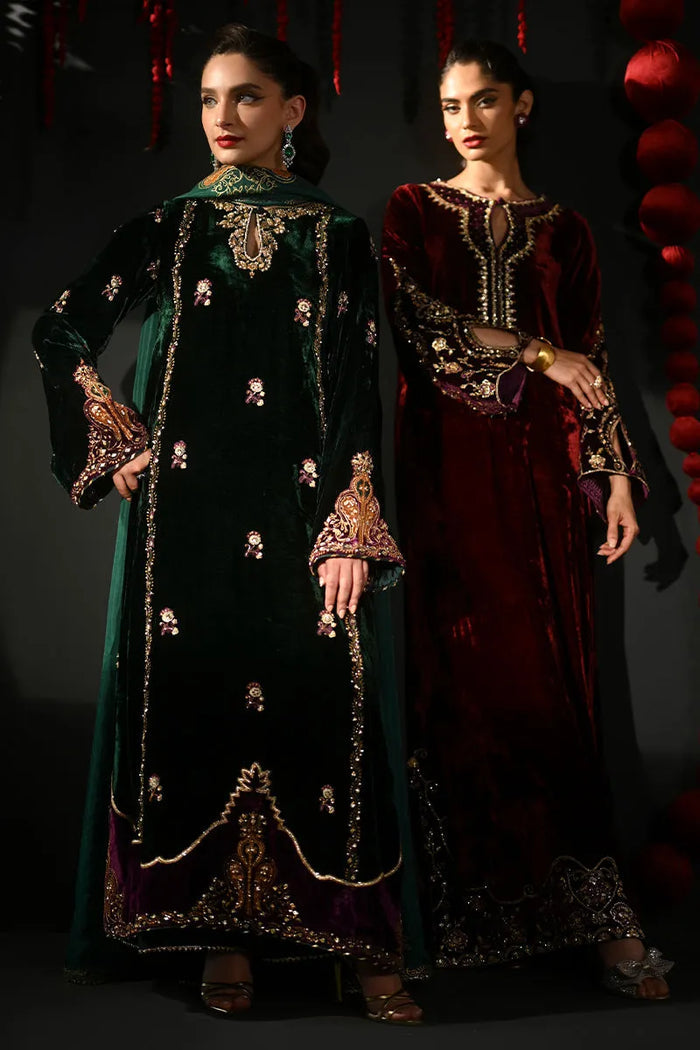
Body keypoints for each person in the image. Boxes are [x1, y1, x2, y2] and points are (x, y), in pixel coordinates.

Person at [34, 23, 423, 1025]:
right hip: (186, 519)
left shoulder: (338, 235)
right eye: (209, 97)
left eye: (245, 96)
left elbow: (354, 387)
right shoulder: (169, 226)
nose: (222, 116)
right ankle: (218, 938)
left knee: (323, 712)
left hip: (302, 507)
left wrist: (350, 522)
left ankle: (361, 941)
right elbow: (61, 325)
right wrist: (113, 436)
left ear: (292, 110)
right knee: (197, 712)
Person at [381, 38, 673, 1001]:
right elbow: (414, 320)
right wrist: (534, 354)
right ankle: (452, 918)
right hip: (446, 472)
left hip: (547, 477)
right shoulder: (414, 209)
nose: (465, 121)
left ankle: (594, 916)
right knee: (456, 679)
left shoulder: (568, 228)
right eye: (450, 104)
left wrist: (616, 474)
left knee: (556, 681)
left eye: (483, 101)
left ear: (523, 106)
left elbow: (594, 353)